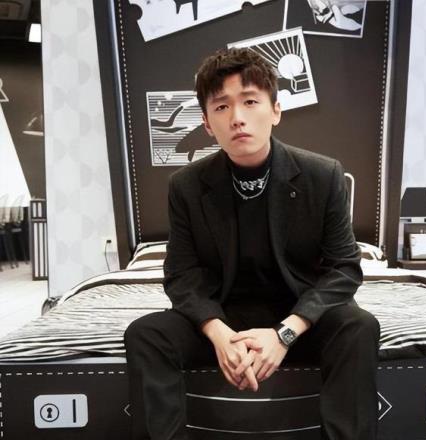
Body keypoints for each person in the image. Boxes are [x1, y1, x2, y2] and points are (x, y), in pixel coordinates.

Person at [124, 47, 380, 440]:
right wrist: (219, 334)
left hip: (299, 317)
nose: (237, 117)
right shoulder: (186, 186)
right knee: (146, 334)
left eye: (249, 101)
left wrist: (285, 333)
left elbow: (344, 269)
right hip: (223, 316)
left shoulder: (322, 175)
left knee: (358, 326)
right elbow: (181, 275)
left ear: (275, 110)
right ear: (207, 124)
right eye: (221, 107)